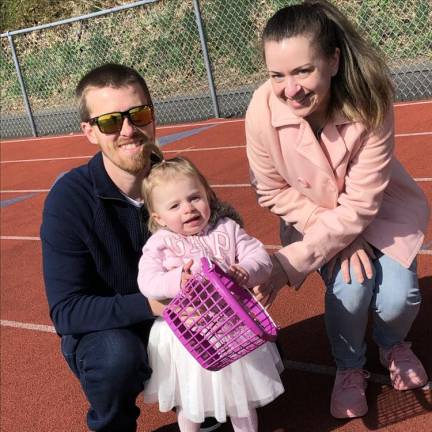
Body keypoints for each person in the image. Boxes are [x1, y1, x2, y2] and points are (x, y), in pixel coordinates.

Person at [245, 0, 430, 420]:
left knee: (401, 297)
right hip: (311, 215)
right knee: (351, 289)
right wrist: (334, 238)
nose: (290, 89)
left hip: (380, 209)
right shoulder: (260, 109)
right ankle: (349, 368)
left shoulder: (370, 100)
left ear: (333, 60)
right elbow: (270, 189)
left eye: (303, 70)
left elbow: (364, 201)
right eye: (277, 75)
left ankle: (391, 343)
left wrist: (287, 263)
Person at [40, 63, 221, 431]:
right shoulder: (69, 200)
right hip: (112, 328)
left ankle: (198, 403)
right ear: (89, 132)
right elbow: (67, 312)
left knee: (260, 351)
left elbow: (224, 235)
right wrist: (152, 305)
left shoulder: (177, 184)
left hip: (180, 315)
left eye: (138, 114)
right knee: (116, 358)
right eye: (109, 122)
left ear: (152, 115)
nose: (128, 130)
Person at [137, 156, 284, 431]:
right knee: (191, 402)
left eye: (195, 197)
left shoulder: (226, 228)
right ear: (158, 217)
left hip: (233, 329)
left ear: (208, 196)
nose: (188, 209)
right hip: (188, 335)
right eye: (175, 205)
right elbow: (146, 281)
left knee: (242, 398)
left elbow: (260, 256)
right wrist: (176, 281)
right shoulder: (160, 243)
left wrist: (246, 270)